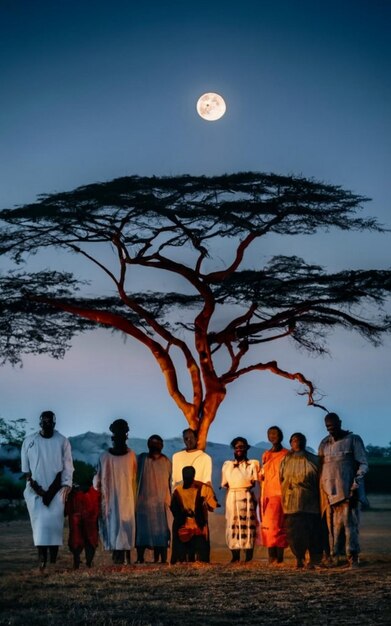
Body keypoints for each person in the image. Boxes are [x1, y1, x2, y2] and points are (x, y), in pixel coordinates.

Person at [21, 410, 74, 570]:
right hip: (35, 491)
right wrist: (37, 489)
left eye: (50, 422)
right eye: (44, 422)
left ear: (54, 423)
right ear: (40, 423)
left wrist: (66, 485)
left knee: (54, 525)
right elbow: (26, 471)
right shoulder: (29, 441)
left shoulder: (62, 441)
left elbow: (68, 466)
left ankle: (53, 559)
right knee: (40, 526)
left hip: (57, 490)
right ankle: (42, 559)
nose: (47, 424)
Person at [318, 412, 369, 568]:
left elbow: (363, 464)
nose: (331, 429)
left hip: (347, 491)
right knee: (333, 527)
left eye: (333, 425)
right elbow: (321, 468)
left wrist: (356, 485)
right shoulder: (324, 443)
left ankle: (352, 557)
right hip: (328, 493)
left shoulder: (353, 439)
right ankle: (335, 558)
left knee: (349, 526)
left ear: (340, 423)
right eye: (328, 427)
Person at [93, 419, 137, 565]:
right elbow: (98, 482)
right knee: (115, 527)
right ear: (113, 438)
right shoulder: (104, 457)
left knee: (124, 526)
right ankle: (119, 556)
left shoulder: (131, 456)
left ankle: (124, 556)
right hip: (111, 500)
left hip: (127, 500)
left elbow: (134, 479)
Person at [279, 433, 323, 569]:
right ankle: (299, 558)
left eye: (300, 440)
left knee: (312, 531)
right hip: (291, 502)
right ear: (290, 443)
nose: (297, 442)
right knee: (294, 533)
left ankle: (314, 559)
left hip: (309, 501)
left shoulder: (313, 459)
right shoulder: (285, 460)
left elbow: (319, 479)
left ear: (304, 442)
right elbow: (281, 479)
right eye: (294, 440)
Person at [221, 437, 260, 563]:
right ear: (234, 449)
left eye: (241, 447)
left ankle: (248, 556)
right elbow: (225, 484)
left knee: (248, 524)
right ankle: (235, 555)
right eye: (237, 447)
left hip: (246, 495)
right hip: (232, 495)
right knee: (233, 524)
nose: (239, 449)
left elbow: (255, 482)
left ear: (246, 449)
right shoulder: (227, 465)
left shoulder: (253, 464)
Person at [170, 465, 219, 564]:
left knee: (200, 553)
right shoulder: (177, 491)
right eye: (185, 477)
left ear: (193, 476)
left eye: (188, 477)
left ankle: (199, 560)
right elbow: (174, 509)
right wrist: (184, 513)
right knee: (182, 553)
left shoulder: (203, 488)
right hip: (183, 525)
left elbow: (212, 505)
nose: (187, 479)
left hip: (198, 525)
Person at [135, 434, 172, 564]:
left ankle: (162, 559)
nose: (155, 445)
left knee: (161, 531)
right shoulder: (141, 459)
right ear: (148, 445)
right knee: (142, 531)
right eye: (152, 443)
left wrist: (169, 500)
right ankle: (140, 558)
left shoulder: (166, 461)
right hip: (143, 503)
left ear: (162, 446)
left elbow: (169, 483)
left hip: (160, 504)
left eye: (157, 443)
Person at [260, 425, 288, 564]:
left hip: (280, 494)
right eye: (270, 433)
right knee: (268, 527)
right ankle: (272, 557)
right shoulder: (266, 454)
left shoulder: (286, 454)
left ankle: (279, 558)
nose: (272, 436)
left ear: (281, 436)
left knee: (278, 526)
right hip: (267, 494)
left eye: (275, 433)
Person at [65, 463, 100, 569]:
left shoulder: (73, 494)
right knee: (91, 538)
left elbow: (67, 509)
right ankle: (88, 562)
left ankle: (77, 561)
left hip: (77, 510)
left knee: (76, 537)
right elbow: (99, 508)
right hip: (89, 512)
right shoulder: (94, 493)